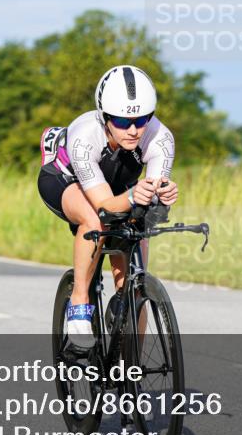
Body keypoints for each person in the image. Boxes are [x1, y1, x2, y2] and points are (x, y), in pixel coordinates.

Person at [37, 65, 178, 348]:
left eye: (142, 119)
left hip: (116, 185)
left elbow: (149, 206)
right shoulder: (84, 136)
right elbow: (104, 205)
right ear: (104, 117)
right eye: (123, 122)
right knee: (96, 221)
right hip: (65, 179)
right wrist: (132, 196)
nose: (134, 130)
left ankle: (129, 365)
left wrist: (161, 198)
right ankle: (79, 302)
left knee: (136, 263)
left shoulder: (161, 137)